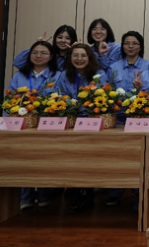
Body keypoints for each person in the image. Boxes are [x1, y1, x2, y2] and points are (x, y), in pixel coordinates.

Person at [8, 40, 60, 210]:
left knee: (45, 160)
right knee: (24, 160)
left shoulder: (58, 76)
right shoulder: (19, 76)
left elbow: (62, 100)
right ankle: (25, 197)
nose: (38, 56)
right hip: (23, 126)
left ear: (51, 56)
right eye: (35, 53)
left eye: (44, 53)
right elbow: (9, 100)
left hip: (48, 126)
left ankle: (44, 194)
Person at [55, 44, 107, 213]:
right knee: (72, 160)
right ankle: (76, 192)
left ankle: (86, 193)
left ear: (90, 58)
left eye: (83, 55)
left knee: (89, 160)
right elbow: (58, 96)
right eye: (75, 55)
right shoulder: (64, 75)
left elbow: (103, 98)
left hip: (92, 124)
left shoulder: (99, 75)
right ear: (70, 58)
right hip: (70, 124)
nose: (79, 59)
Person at [106, 31, 149, 124]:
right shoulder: (114, 67)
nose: (131, 46)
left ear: (140, 47)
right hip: (117, 118)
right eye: (127, 43)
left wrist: (141, 87)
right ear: (122, 46)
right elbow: (108, 91)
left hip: (141, 116)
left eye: (135, 43)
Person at [13, 25, 77, 71]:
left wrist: (77, 52)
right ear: (55, 38)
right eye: (60, 37)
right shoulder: (47, 54)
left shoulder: (74, 57)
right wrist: (38, 47)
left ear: (73, 40)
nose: (63, 41)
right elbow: (18, 63)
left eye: (68, 38)